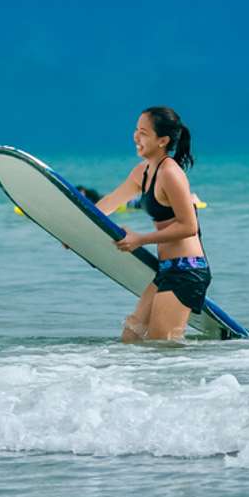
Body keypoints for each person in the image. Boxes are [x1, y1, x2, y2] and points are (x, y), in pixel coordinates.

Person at [96, 106, 208, 342]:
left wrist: (140, 239)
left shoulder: (171, 173)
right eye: (136, 130)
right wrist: (75, 228)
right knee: (130, 336)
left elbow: (189, 226)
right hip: (166, 270)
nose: (136, 136)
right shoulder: (143, 172)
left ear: (163, 140)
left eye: (144, 133)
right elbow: (110, 202)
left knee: (161, 348)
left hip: (187, 270)